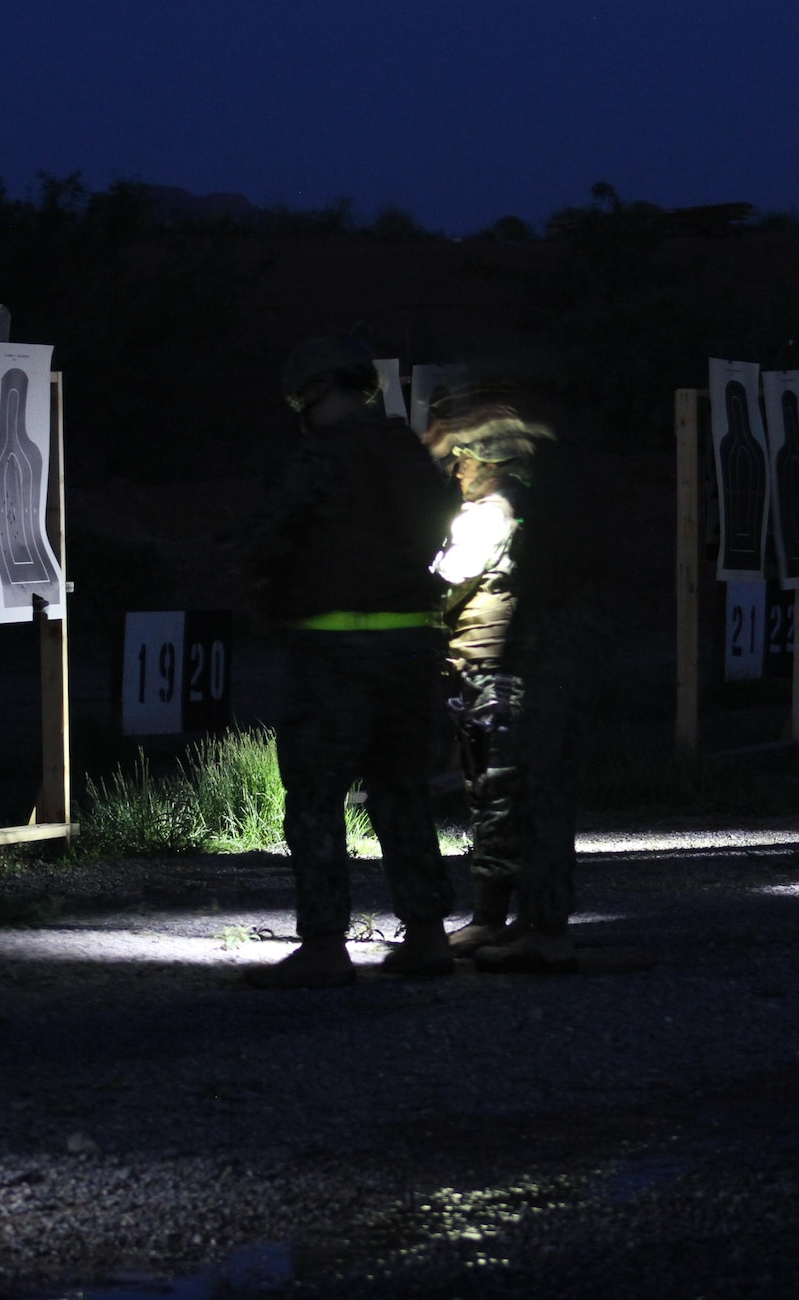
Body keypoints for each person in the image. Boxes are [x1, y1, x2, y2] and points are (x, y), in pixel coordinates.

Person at [240, 336, 459, 986]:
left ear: (315, 391)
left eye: (303, 398)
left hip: (333, 651)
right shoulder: (406, 451)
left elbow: (269, 538)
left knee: (315, 795)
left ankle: (325, 945)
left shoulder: (319, 456)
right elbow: (440, 527)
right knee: (401, 792)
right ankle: (427, 935)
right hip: (410, 647)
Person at [426, 398, 607, 972]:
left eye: (465, 459)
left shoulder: (489, 513)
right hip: (520, 671)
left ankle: (504, 920)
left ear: (491, 462)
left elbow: (446, 584)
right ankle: (518, 920)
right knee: (510, 795)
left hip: (496, 674)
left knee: (498, 796)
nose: (457, 470)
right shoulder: (528, 513)